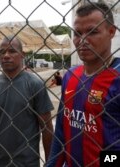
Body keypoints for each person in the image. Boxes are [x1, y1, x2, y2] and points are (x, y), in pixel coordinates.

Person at [47, 2, 120, 167]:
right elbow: (60, 133)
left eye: (93, 32)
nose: (83, 40)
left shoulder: (117, 78)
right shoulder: (71, 76)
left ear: (111, 32)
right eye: (77, 33)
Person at [0, 35, 54, 167]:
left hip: (26, 163)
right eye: (2, 52)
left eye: (12, 51)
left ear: (22, 55)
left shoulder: (35, 85)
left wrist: (50, 163)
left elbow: (47, 128)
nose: (6, 55)